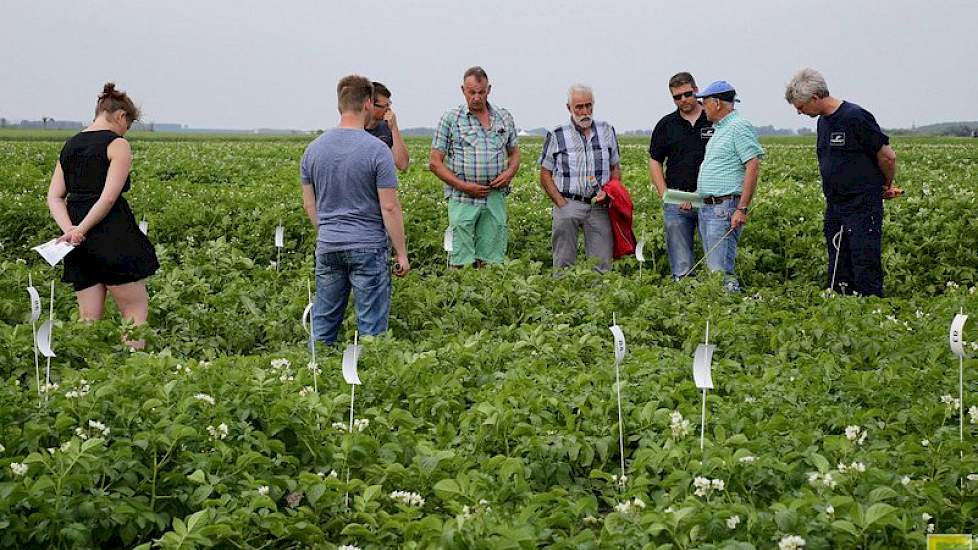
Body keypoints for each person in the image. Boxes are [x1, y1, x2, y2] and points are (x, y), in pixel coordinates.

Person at [46, 82, 159, 347]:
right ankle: (135, 374)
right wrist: (82, 229)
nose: (125, 131)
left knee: (87, 318)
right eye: (127, 125)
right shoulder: (117, 144)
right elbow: (108, 197)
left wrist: (71, 231)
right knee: (134, 312)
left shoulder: (70, 145)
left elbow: (54, 196)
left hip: (77, 244)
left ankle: (85, 377)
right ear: (121, 117)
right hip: (112, 234)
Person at [300, 75, 410, 345]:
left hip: (328, 245)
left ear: (340, 105)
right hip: (368, 246)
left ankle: (312, 378)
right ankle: (370, 380)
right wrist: (401, 253)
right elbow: (389, 206)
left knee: (324, 322)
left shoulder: (313, 150)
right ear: (368, 104)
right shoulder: (377, 150)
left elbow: (309, 204)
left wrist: (327, 230)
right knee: (371, 327)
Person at [785, 68, 897, 297]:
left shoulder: (855, 117)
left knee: (864, 258)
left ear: (815, 98)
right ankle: (840, 305)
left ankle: (871, 306)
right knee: (838, 258)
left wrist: (885, 185)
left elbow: (887, 156)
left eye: (801, 106)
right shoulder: (823, 123)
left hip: (862, 203)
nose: (799, 112)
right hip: (835, 204)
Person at [429, 66, 520, 267]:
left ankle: (487, 294)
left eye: (481, 92)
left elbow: (514, 153)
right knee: (460, 256)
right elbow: (435, 162)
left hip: (494, 196)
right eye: (472, 92)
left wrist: (509, 173)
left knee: (492, 256)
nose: (477, 97)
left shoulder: (504, 117)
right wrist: (463, 186)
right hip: (463, 197)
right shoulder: (451, 119)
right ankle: (461, 292)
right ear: (463, 90)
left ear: (489, 89)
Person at [539, 84, 620, 272]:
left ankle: (597, 299)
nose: (585, 111)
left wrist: (611, 192)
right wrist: (561, 203)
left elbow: (615, 167)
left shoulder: (607, 130)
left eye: (588, 106)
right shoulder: (557, 134)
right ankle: (565, 298)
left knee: (601, 264)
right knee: (564, 263)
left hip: (599, 206)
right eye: (579, 107)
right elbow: (545, 174)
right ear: (569, 108)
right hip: (568, 202)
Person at [695, 80, 764, 292]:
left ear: (716, 103)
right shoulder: (720, 129)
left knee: (721, 269)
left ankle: (729, 310)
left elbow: (752, 164)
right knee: (714, 267)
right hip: (709, 207)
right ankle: (720, 308)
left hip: (724, 208)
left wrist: (741, 208)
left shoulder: (738, 126)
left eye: (704, 103)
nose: (702, 107)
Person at [649, 72, 714, 279]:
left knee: (715, 257)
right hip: (677, 202)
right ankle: (683, 293)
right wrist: (666, 194)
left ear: (696, 90)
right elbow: (655, 160)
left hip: (711, 200)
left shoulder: (714, 119)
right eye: (677, 97)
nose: (683, 100)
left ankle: (715, 295)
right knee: (681, 262)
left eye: (687, 94)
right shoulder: (666, 125)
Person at [365, 82, 410, 171]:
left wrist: (394, 128)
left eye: (389, 104)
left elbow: (403, 164)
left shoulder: (387, 127)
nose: (389, 109)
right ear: (370, 105)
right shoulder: (355, 129)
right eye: (385, 106)